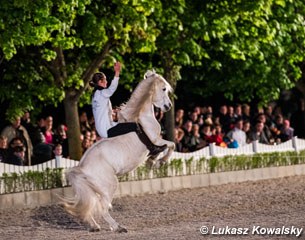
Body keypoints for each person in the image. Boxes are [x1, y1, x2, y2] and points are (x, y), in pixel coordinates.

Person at [89, 61, 166, 156]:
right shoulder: (101, 93)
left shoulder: (96, 95)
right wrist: (117, 73)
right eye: (105, 80)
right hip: (107, 129)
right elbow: (112, 89)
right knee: (134, 126)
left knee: (126, 124)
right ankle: (152, 148)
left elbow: (101, 111)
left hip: (104, 127)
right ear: (100, 82)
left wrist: (113, 112)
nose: (106, 82)